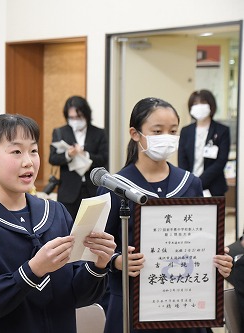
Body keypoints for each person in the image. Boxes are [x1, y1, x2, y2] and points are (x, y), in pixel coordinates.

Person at [0, 113, 116, 333]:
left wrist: (98, 265)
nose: (28, 161)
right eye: (16, 151)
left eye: (33, 151)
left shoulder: (54, 212)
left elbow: (76, 296)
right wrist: (33, 270)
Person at [97, 97, 233, 333]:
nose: (167, 138)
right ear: (135, 133)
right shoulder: (115, 186)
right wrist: (118, 260)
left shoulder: (190, 183)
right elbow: (94, 248)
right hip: (132, 305)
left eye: (173, 131)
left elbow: (202, 240)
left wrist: (218, 257)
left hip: (186, 306)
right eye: (157, 131)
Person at [49, 95, 108, 220]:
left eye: (78, 117)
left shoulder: (99, 133)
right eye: (71, 117)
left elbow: (104, 159)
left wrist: (85, 154)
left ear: (86, 115)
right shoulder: (60, 132)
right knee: (68, 230)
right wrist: (68, 155)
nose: (75, 120)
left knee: (92, 230)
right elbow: (52, 158)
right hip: (68, 192)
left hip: (92, 190)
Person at [178, 89, 230, 197]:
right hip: (189, 187)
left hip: (214, 187)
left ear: (211, 105)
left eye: (203, 103)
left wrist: (198, 182)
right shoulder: (186, 131)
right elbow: (182, 160)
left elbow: (221, 162)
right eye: (195, 104)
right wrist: (189, 183)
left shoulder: (222, 130)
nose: (199, 106)